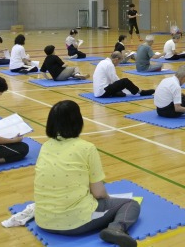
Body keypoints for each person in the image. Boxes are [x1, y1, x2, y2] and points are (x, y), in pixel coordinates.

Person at [34, 100, 140, 246]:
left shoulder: (45, 146)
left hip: (43, 220)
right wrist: (108, 202)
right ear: (78, 121)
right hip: (74, 223)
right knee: (130, 204)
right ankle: (116, 229)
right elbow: (98, 193)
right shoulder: (87, 148)